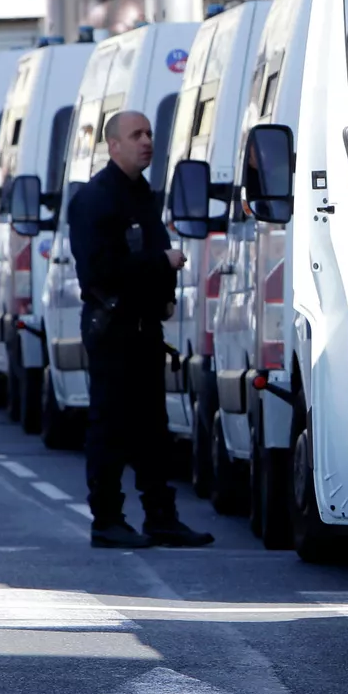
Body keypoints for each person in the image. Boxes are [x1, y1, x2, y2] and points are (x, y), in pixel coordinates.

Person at [67, 110, 214, 549]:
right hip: (112, 328)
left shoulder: (143, 194)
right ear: (113, 145)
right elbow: (100, 270)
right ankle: (107, 520)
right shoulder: (96, 199)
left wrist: (164, 292)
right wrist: (161, 264)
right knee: (110, 427)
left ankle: (161, 516)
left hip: (145, 329)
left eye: (149, 133)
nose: (147, 141)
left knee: (153, 428)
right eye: (136, 135)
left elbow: (150, 250)